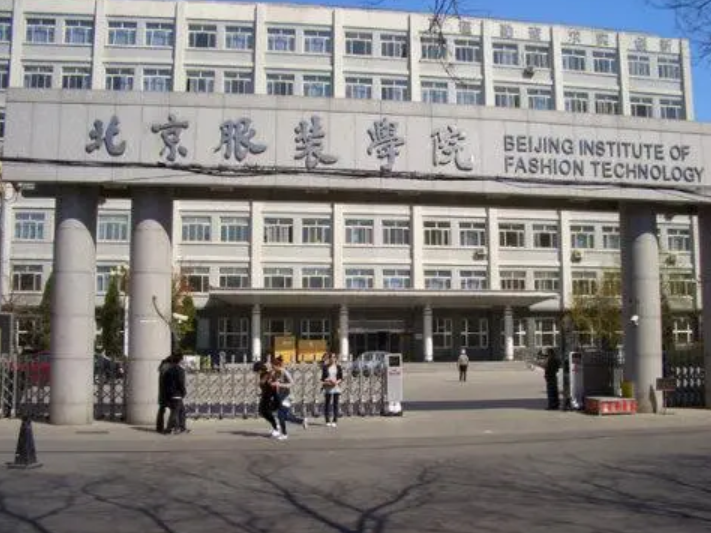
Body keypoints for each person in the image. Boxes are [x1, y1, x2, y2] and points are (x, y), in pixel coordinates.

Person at [271, 356, 308, 440]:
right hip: (280, 396)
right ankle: (301, 421)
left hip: (287, 396)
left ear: (278, 366)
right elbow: (274, 383)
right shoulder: (275, 373)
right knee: (285, 417)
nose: (272, 368)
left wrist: (280, 384)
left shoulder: (285, 372)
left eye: (273, 366)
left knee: (280, 415)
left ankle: (284, 434)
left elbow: (292, 383)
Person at [162, 353, 189, 434]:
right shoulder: (180, 370)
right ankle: (169, 429)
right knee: (175, 412)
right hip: (177, 393)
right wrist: (183, 392)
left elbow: (165, 383)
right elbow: (180, 382)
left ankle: (182, 428)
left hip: (170, 393)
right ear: (180, 360)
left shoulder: (169, 370)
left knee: (182, 411)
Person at [255, 361, 280, 438]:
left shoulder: (268, 375)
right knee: (262, 412)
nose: (257, 372)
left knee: (267, 412)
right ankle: (276, 426)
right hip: (266, 396)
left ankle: (276, 428)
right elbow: (264, 386)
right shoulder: (262, 375)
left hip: (271, 396)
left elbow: (273, 386)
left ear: (260, 369)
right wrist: (262, 393)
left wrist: (273, 396)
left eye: (257, 370)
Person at [321, 352, 343, 428]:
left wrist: (336, 382)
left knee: (335, 404)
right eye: (331, 357)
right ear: (329, 358)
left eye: (334, 357)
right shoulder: (325, 367)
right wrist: (329, 381)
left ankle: (334, 420)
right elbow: (323, 378)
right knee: (327, 403)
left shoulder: (338, 367)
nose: (332, 359)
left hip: (336, 387)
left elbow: (341, 377)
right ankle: (327, 420)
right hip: (328, 387)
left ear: (335, 359)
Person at [156, 355, 172, 434]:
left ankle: (159, 427)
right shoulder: (168, 368)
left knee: (161, 410)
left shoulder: (162, 367)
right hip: (168, 392)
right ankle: (171, 427)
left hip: (162, 392)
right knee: (175, 410)